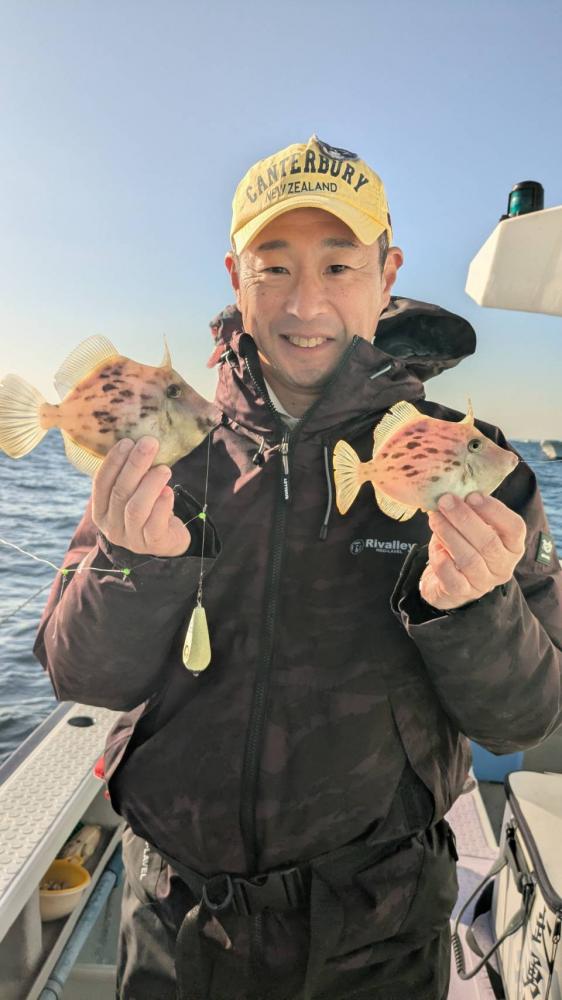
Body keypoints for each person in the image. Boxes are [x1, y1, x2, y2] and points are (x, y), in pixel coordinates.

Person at [34, 135, 562, 1000]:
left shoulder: (471, 464)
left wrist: (474, 609)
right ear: (235, 275)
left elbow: (525, 719)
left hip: (378, 938)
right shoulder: (168, 444)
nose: (305, 302)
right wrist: (133, 565)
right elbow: (80, 675)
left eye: (339, 265)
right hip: (174, 923)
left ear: (387, 273)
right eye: (273, 267)